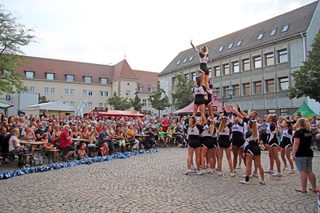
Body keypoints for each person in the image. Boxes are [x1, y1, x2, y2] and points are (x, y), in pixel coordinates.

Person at [293, 118, 319, 193]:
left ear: (299, 123)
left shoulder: (298, 132)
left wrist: (294, 153)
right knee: (309, 171)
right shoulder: (309, 131)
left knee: (302, 171)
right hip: (309, 152)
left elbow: (296, 143)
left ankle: (303, 188)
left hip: (301, 153)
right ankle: (314, 187)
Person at [240, 120, 265, 185]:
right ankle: (262, 180)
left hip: (250, 148)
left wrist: (245, 151)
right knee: (259, 165)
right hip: (257, 148)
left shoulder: (249, 132)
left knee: (248, 165)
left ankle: (247, 180)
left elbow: (246, 142)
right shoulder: (257, 132)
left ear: (249, 125)